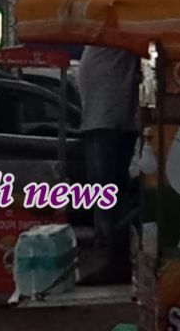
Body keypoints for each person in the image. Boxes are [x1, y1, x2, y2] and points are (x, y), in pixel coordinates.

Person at [75, 46, 141, 285]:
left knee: (108, 189)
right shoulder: (101, 35)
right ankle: (107, 249)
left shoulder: (117, 31)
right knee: (100, 188)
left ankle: (115, 257)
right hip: (98, 118)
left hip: (112, 119)